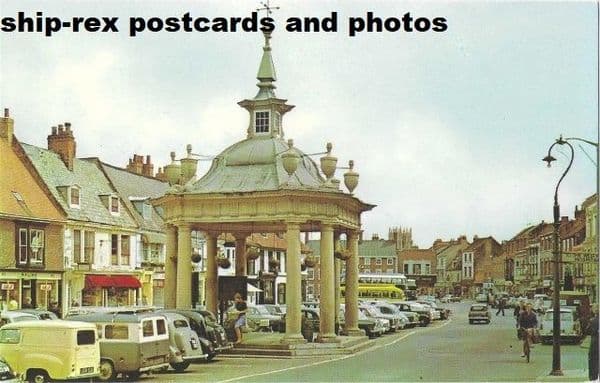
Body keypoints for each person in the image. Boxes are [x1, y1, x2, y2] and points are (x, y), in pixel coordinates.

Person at [587, 304, 598, 381]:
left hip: (595, 342)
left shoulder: (592, 320)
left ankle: (593, 377)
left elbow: (587, 331)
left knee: (593, 360)